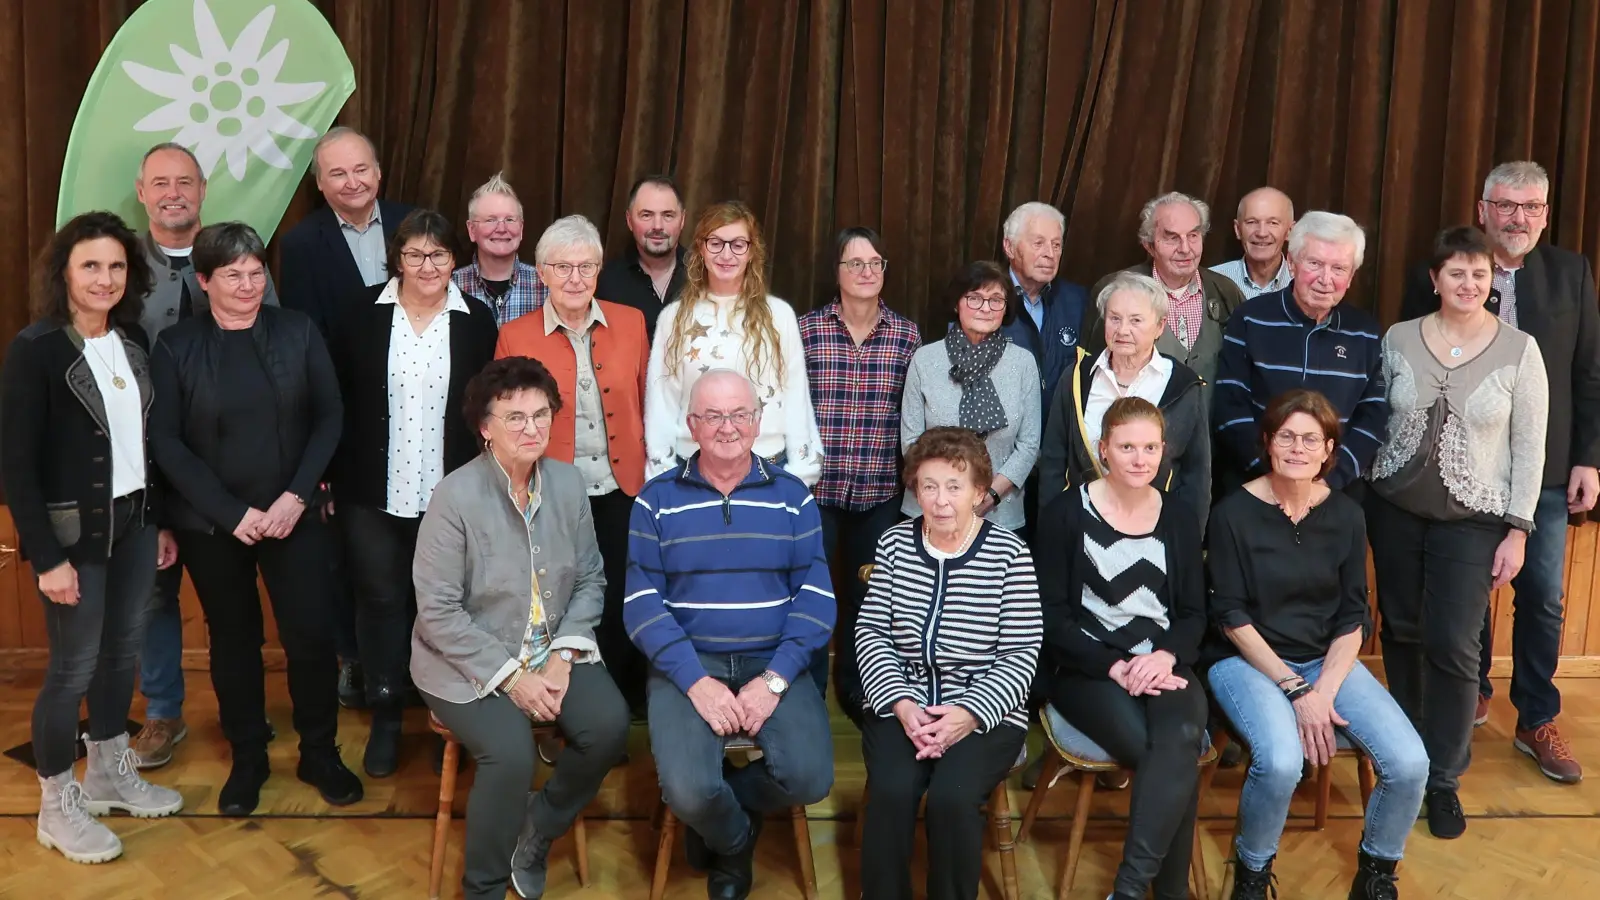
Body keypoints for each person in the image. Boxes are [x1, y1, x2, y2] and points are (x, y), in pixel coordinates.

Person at [149, 222, 360, 817]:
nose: (247, 284)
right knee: (234, 642)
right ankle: (249, 758)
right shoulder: (176, 345)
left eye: (256, 271)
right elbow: (165, 440)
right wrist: (230, 512)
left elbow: (330, 414)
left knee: (311, 637)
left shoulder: (297, 330)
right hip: (212, 524)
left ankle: (320, 752)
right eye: (233, 274)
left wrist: (296, 497)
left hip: (294, 515)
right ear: (204, 279)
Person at [1400, 160, 1600, 784]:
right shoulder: (1442, 271)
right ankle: (1474, 690)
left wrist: (1589, 457)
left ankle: (1537, 716)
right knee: (1467, 594)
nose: (1519, 218)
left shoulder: (1571, 274)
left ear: (1545, 213)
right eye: (1506, 205)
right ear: (1482, 208)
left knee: (1541, 596)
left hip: (1541, 471)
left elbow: (1589, 373)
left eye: (1532, 207)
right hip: (1461, 470)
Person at [1, 212, 184, 864]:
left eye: (115, 266)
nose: (104, 278)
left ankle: (108, 772)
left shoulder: (131, 337)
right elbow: (15, 464)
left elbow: (144, 443)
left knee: (120, 655)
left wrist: (156, 519)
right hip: (72, 538)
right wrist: (46, 558)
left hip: (133, 527)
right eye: (90, 266)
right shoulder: (37, 350)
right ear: (64, 273)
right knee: (71, 669)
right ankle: (57, 806)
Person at [412, 357, 630, 900]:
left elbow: (591, 580)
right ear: (485, 427)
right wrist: (512, 678)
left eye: (541, 414)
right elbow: (437, 611)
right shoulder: (454, 497)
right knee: (509, 753)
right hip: (466, 660)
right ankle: (482, 888)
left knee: (608, 728)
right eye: (515, 418)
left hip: (551, 648)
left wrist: (561, 657)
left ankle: (538, 830)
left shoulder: (568, 483)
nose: (532, 428)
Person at [1206, 389, 1427, 899]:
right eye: (1286, 436)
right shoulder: (1232, 514)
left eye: (1312, 439)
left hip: (1326, 661)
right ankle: (1253, 873)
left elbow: (1354, 614)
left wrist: (1322, 689)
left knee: (1411, 762)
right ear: (1267, 442)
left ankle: (1376, 874)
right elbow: (1231, 617)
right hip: (1248, 660)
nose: (1298, 448)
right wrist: (1295, 690)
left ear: (1329, 449)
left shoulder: (1348, 515)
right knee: (1281, 761)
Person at [625, 369, 836, 900]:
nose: (727, 426)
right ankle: (734, 840)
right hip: (688, 664)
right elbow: (641, 604)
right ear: (692, 425)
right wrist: (696, 681)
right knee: (690, 792)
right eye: (713, 415)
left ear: (758, 421)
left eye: (739, 414)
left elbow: (816, 601)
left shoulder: (793, 498)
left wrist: (775, 680)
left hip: (773, 659)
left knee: (811, 780)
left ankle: (721, 815)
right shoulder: (655, 501)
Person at [1370, 226, 1549, 838]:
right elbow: (1374, 418)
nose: (1468, 284)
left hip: (1474, 521)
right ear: (1435, 280)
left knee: (1452, 643)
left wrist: (1519, 531)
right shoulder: (1397, 339)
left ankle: (1441, 778)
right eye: (1456, 273)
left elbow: (1530, 448)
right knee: (1402, 631)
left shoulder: (1519, 350)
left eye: (1479, 274)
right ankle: (1405, 758)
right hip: (1393, 511)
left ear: (1491, 280)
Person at [329, 209, 497, 777]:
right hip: (370, 495)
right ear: (396, 258)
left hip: (451, 500)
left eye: (440, 256)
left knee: (446, 608)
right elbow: (336, 401)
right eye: (415, 255)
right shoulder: (358, 315)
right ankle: (385, 715)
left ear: (457, 260)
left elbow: (483, 415)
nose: (428, 267)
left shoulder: (477, 320)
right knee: (379, 603)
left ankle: (446, 715)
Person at [131, 141, 279, 769]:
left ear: (202, 190)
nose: (173, 193)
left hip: (234, 473)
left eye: (185, 181)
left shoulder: (235, 259)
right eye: (160, 182)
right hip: (141, 459)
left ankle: (247, 717)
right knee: (154, 592)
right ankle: (163, 712)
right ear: (141, 192)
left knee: (239, 610)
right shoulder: (120, 265)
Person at [855, 426, 1041, 900]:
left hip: (984, 713)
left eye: (954, 487)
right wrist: (899, 703)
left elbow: (1022, 652)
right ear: (915, 488)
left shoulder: (1009, 553)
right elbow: (872, 633)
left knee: (953, 800)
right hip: (905, 704)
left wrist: (970, 712)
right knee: (892, 792)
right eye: (928, 486)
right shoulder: (895, 544)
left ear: (980, 492)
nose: (939, 501)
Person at [1037, 398, 1206, 900]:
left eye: (1150, 447)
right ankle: (1165, 894)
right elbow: (1052, 619)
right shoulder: (1065, 513)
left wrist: (1164, 657)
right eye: (1127, 446)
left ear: (1163, 452)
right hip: (1086, 666)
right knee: (1165, 758)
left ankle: (1129, 891)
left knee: (1179, 735)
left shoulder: (1176, 516)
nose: (1139, 458)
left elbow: (1195, 614)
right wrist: (1113, 665)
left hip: (1160, 662)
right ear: (1103, 449)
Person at [495, 215, 651, 714]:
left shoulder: (631, 323)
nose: (575, 278)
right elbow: (504, 422)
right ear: (541, 272)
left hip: (622, 489)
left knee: (622, 597)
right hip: (550, 496)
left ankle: (620, 707)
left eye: (586, 266)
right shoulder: (515, 334)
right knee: (561, 601)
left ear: (600, 269)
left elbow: (649, 402)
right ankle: (567, 709)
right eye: (562, 267)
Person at [278, 125, 413, 703]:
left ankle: (415, 668)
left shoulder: (415, 223)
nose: (352, 181)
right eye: (337, 173)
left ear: (379, 174)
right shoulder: (302, 245)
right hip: (345, 421)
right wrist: (323, 459)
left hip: (418, 415)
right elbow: (306, 347)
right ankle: (355, 660)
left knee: (415, 560)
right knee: (346, 559)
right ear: (320, 183)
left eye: (361, 170)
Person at [797, 226, 921, 715]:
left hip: (878, 492)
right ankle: (803, 689)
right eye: (855, 263)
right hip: (817, 490)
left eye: (875, 264)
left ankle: (854, 686)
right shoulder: (806, 330)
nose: (866, 272)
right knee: (809, 593)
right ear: (838, 272)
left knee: (867, 598)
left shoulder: (907, 334)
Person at [644, 201, 822, 486]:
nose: (726, 254)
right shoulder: (674, 318)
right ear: (701, 248)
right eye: (716, 243)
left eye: (738, 244)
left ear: (752, 252)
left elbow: (795, 398)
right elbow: (661, 404)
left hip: (768, 468)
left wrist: (802, 474)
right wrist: (661, 478)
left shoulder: (779, 315)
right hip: (693, 471)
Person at [1212, 211, 1387, 495]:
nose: (1325, 279)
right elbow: (1229, 406)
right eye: (1315, 264)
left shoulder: (1365, 332)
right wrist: (1273, 473)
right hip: (1255, 486)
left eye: (1339, 268)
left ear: (1352, 276)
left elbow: (1373, 418)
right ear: (1292, 263)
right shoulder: (1250, 319)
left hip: (1334, 494)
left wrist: (1328, 482)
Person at [1039, 271, 1210, 529]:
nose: (1123, 330)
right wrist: (1053, 527)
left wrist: (1184, 543)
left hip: (1154, 530)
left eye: (1136, 320)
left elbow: (1196, 476)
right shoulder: (1077, 376)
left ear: (1159, 327)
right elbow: (1054, 459)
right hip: (1080, 527)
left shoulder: (1184, 385)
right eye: (1114, 318)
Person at [901, 261, 1040, 536]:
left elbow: (1029, 444)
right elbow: (911, 441)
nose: (985, 308)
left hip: (1001, 513)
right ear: (957, 303)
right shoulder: (925, 360)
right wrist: (949, 497)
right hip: (930, 511)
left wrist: (989, 495)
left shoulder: (1023, 363)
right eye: (975, 298)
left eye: (996, 300)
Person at [1081, 192, 1244, 390]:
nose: (1185, 248)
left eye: (1193, 236)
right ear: (1149, 245)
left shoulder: (1225, 292)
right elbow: (1092, 374)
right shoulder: (1116, 291)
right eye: (1172, 238)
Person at [999, 201, 1088, 535]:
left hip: (1060, 463)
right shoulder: (986, 299)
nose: (1050, 253)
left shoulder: (1078, 301)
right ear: (1010, 247)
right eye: (1038, 243)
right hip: (1001, 465)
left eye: (1056, 244)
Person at [451, 172, 549, 326]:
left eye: (510, 219)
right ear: (471, 230)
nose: (502, 228)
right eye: (491, 220)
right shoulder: (450, 286)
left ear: (521, 228)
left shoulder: (547, 285)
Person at [596, 174, 688, 336]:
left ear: (682, 220)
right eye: (647, 215)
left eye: (668, 215)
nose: (657, 226)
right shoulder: (606, 281)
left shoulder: (705, 275)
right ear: (629, 220)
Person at [1210, 187, 1296, 299]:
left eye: (1273, 223)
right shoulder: (1211, 282)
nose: (1262, 233)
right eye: (1252, 222)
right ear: (1238, 230)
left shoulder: (1305, 284)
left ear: (1289, 231)